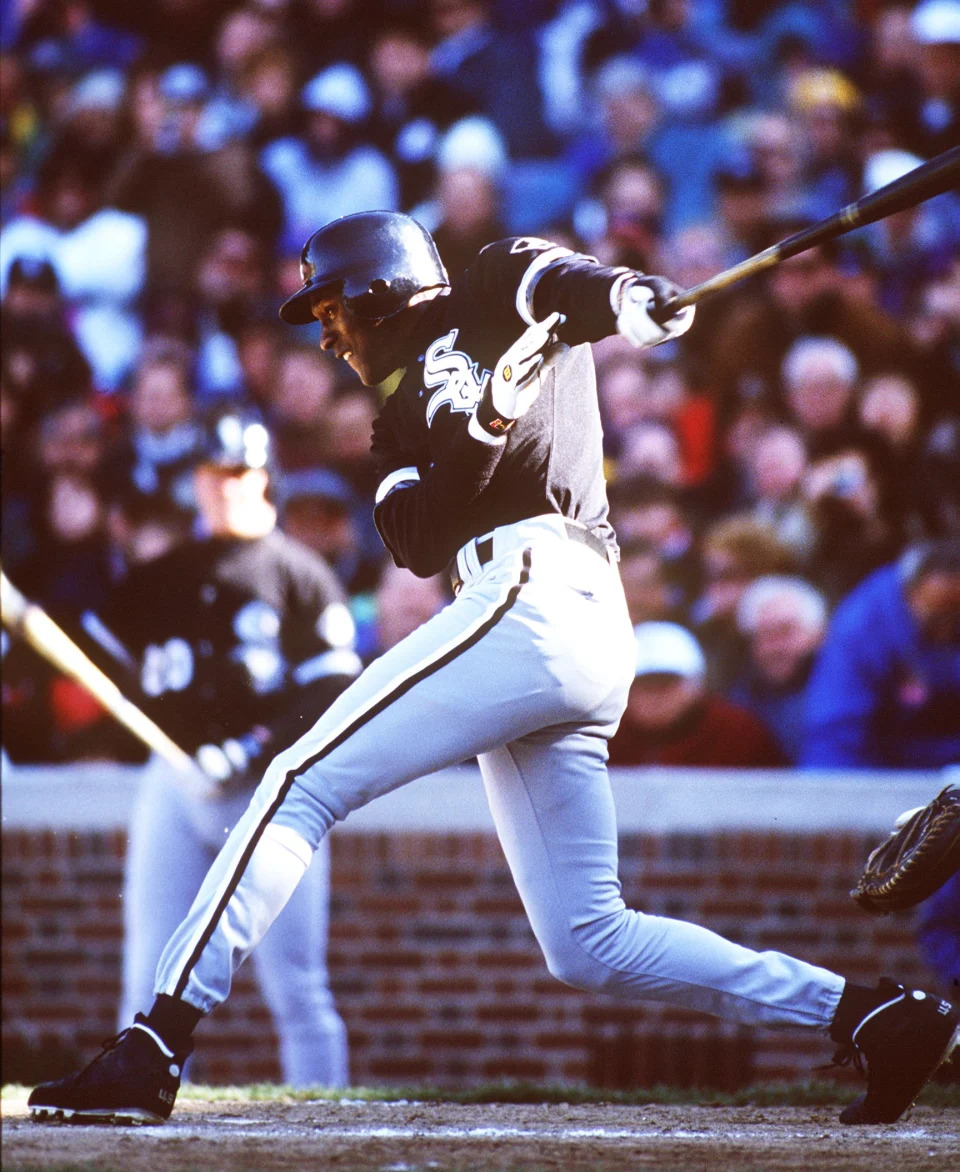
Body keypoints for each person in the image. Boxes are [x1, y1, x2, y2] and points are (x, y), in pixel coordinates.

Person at [28, 211, 958, 1128]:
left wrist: (629, 300)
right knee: (588, 943)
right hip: (537, 619)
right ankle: (872, 1015)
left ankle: (157, 1040)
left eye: (331, 308)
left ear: (377, 290)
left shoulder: (486, 285)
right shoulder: (393, 424)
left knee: (298, 780)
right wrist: (484, 422)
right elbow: (418, 542)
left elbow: (563, 286)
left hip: (542, 587)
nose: (325, 332)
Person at [80, 410, 358, 1088]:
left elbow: (334, 686)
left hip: (271, 790)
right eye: (212, 473)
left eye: (238, 473)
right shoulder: (161, 575)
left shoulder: (300, 575)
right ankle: (139, 1107)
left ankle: (325, 1129)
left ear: (265, 480)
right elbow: (97, 662)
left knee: (296, 982)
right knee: (151, 973)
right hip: (174, 781)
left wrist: (252, 745)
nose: (223, 487)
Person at [802, 538, 960, 770]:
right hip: (880, 766)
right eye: (937, 618)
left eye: (956, 618)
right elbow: (835, 734)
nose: (945, 631)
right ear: (911, 593)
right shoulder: (862, 628)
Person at [608, 622, 787, 768]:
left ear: (697, 685)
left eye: (666, 683)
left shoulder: (738, 733)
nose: (654, 696)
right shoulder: (606, 737)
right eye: (642, 685)